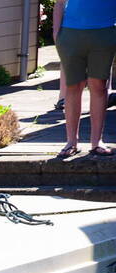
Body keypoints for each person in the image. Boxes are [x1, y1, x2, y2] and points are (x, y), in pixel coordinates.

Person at [54, 0, 116, 157]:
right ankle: (71, 143)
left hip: (105, 32)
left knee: (99, 86)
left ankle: (97, 143)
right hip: (71, 33)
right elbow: (60, 3)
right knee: (73, 86)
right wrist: (56, 33)